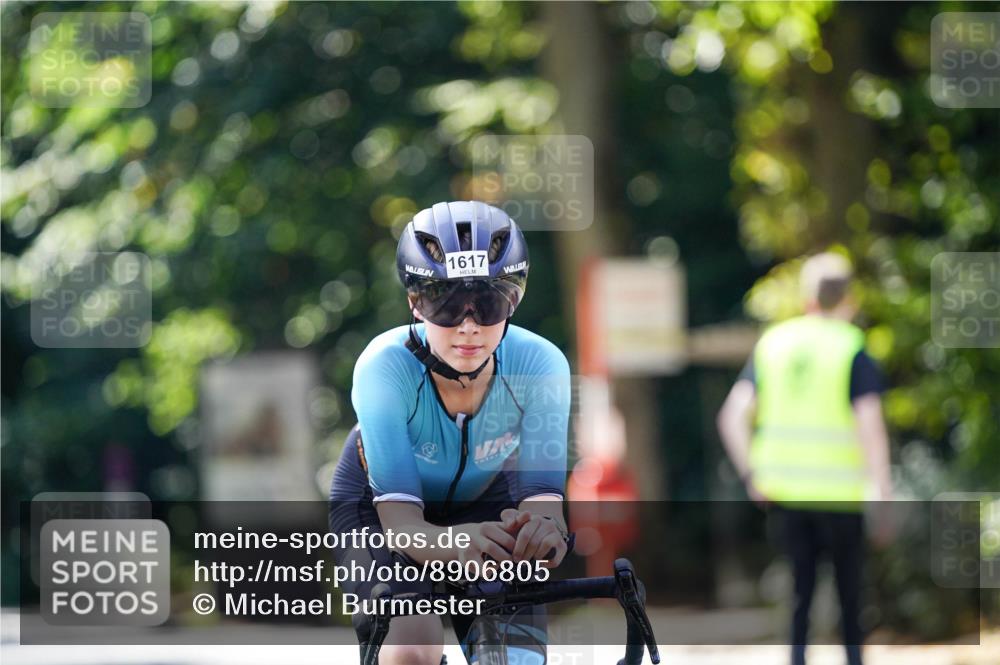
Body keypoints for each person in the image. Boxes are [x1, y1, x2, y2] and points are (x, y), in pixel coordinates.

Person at [328, 201, 573, 665]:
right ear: (413, 303)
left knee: (517, 659)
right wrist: (459, 541)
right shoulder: (382, 367)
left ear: (514, 300)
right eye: (443, 303)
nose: (468, 326)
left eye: (488, 302)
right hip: (381, 513)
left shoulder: (541, 366)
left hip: (486, 500)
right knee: (411, 649)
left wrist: (543, 534)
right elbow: (402, 527)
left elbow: (544, 504)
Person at [716, 252, 892, 665]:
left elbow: (732, 416)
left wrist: (751, 473)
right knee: (851, 599)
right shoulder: (851, 346)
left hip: (785, 493)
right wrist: (882, 492)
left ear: (807, 297)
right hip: (841, 495)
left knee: (799, 597)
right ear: (848, 298)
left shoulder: (774, 343)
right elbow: (871, 425)